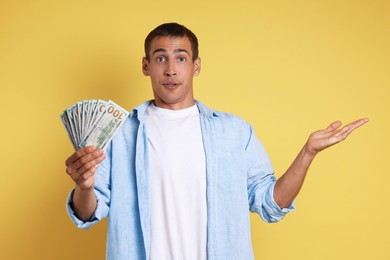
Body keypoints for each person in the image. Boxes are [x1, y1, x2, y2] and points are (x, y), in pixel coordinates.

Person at [65, 23, 368, 260]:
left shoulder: (235, 132)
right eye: (161, 58)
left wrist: (307, 153)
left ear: (196, 65)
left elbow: (271, 204)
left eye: (181, 58)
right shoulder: (119, 134)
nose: (171, 69)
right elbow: (88, 212)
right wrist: (85, 186)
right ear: (146, 66)